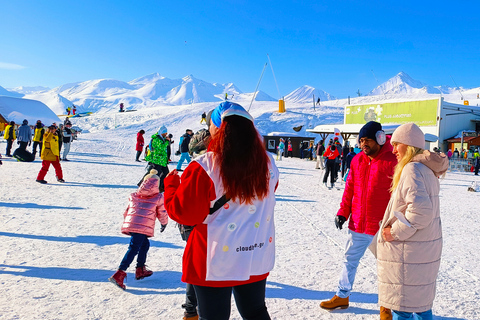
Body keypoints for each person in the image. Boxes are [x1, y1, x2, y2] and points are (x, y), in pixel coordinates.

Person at [164, 101, 279, 320]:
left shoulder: (204, 167)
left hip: (214, 259)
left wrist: (171, 186)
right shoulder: (268, 163)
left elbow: (184, 213)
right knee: (255, 311)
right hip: (256, 252)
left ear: (217, 128)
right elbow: (269, 190)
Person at [320, 121, 397, 319]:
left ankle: (386, 307)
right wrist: (342, 213)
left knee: (387, 267)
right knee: (349, 260)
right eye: (361, 140)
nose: (363, 144)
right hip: (358, 223)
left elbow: (400, 195)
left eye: (368, 140)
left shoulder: (393, 161)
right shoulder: (357, 161)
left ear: (380, 139)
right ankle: (342, 296)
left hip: (381, 226)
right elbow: (350, 190)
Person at [377, 123, 448, 320]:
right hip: (420, 251)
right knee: (421, 307)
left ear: (408, 145)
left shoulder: (412, 169)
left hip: (409, 255)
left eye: (396, 144)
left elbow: (421, 212)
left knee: (404, 308)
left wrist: (394, 232)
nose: (393, 150)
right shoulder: (426, 169)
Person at [109, 169, 168, 290]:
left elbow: (127, 212)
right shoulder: (158, 197)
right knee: (134, 248)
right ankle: (119, 273)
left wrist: (129, 223)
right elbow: (162, 212)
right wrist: (164, 223)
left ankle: (140, 269)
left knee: (144, 245)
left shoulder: (134, 195)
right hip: (143, 227)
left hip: (133, 225)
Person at [140, 125, 170, 191]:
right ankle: (142, 184)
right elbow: (161, 148)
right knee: (154, 173)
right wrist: (167, 141)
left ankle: (161, 186)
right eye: (165, 133)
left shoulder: (161, 138)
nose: (166, 134)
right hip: (157, 159)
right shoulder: (157, 139)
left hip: (162, 160)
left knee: (166, 173)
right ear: (162, 132)